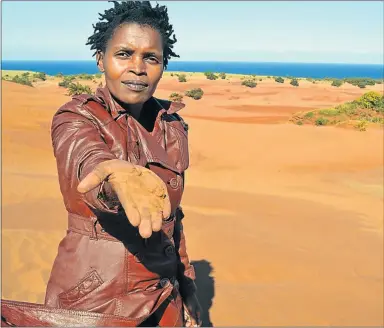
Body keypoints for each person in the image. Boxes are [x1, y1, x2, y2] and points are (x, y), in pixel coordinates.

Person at [40, 1, 201, 326]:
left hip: (164, 297)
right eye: (124, 54)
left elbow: (173, 221)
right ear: (101, 58)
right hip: (98, 299)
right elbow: (85, 160)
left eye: (151, 58)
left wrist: (187, 288)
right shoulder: (77, 117)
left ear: (162, 65)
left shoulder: (173, 125)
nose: (138, 67)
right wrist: (113, 178)